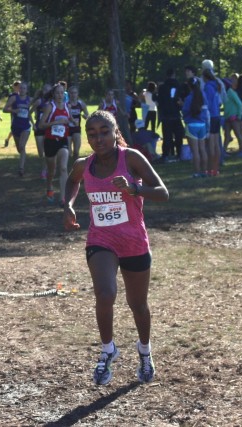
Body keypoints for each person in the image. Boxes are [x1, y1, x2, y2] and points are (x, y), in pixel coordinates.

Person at [63, 110, 169, 386]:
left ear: (114, 132)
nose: (99, 139)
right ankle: (108, 349)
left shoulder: (130, 157)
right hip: (101, 241)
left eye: (104, 132)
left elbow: (163, 192)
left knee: (137, 305)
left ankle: (144, 351)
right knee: (105, 293)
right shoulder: (83, 165)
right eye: (93, 134)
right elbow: (72, 182)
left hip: (133, 241)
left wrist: (134, 188)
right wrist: (69, 205)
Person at [38, 83, 71, 206]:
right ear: (53, 94)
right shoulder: (49, 107)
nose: (60, 95)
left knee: (63, 168)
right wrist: (55, 122)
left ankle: (63, 198)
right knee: (51, 171)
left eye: (62, 93)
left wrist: (70, 121)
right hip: (50, 141)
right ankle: (49, 185)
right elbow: (41, 125)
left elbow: (69, 119)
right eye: (57, 93)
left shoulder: (67, 107)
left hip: (63, 141)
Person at [3, 81, 33, 176]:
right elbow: (4, 109)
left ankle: (21, 168)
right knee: (19, 149)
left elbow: (39, 106)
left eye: (24, 88)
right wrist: (13, 110)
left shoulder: (30, 99)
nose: (22, 90)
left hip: (26, 126)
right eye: (21, 88)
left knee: (22, 146)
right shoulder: (14, 98)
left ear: (27, 90)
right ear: (18, 89)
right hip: (15, 126)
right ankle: (23, 159)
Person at [182, 77, 208, 178]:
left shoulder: (189, 98)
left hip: (191, 125)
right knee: (203, 149)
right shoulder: (203, 96)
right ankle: (204, 171)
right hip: (202, 124)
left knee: (195, 151)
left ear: (189, 86)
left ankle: (196, 172)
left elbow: (185, 111)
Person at [156, 68, 184, 161]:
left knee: (167, 136)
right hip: (176, 114)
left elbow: (159, 101)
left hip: (166, 115)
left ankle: (166, 154)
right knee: (178, 136)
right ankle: (179, 153)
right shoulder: (178, 86)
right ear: (174, 74)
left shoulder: (162, 87)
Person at [201, 68, 222, 176]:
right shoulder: (216, 85)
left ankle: (210, 169)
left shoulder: (208, 86)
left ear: (205, 77)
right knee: (216, 144)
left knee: (211, 145)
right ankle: (216, 168)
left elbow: (207, 103)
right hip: (217, 115)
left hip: (211, 116)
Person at [31, 83, 53, 179]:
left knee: (49, 150)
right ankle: (44, 169)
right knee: (41, 152)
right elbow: (29, 113)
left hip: (49, 128)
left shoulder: (53, 102)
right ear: (42, 91)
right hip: (39, 128)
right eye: (45, 90)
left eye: (48, 90)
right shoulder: (39, 101)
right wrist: (33, 125)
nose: (46, 92)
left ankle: (48, 169)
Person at [221, 78, 242, 156]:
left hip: (234, 117)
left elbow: (239, 103)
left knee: (238, 134)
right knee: (227, 135)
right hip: (227, 117)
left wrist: (239, 115)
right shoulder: (225, 93)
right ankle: (223, 151)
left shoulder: (231, 92)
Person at [67, 85, 90, 162]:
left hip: (76, 129)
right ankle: (68, 165)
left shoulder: (81, 104)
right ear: (69, 94)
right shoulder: (66, 104)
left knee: (76, 151)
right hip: (67, 129)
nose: (73, 95)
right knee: (68, 151)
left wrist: (85, 116)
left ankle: (75, 165)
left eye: (75, 93)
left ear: (77, 94)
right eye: (71, 93)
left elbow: (88, 116)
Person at [4, 81, 21, 147]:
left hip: (21, 114)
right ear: (15, 87)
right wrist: (13, 111)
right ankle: (9, 140)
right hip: (14, 114)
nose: (20, 87)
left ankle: (9, 140)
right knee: (14, 129)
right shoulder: (12, 96)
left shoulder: (21, 95)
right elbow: (9, 107)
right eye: (19, 86)